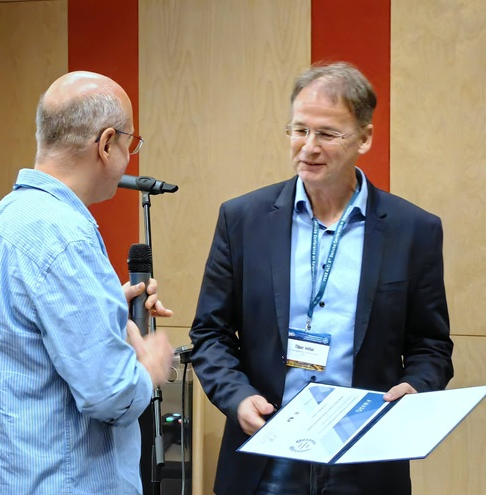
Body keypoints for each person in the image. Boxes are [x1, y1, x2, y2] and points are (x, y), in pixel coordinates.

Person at [190, 62, 454, 495]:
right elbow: (210, 333)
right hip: (266, 453)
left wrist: (416, 386)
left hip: (365, 456)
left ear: (364, 138)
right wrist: (237, 397)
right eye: (299, 130)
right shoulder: (243, 220)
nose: (308, 147)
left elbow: (431, 344)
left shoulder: (413, 230)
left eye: (327, 134)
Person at [0, 71, 174, 494]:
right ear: (106, 144)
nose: (129, 157)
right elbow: (111, 394)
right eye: (130, 144)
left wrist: (106, 312)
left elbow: (23, 349)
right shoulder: (67, 237)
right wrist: (150, 366)